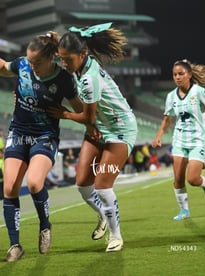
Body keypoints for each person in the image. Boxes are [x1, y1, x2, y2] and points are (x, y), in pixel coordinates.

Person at [0, 31, 83, 261]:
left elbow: (82, 110)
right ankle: (15, 246)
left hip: (44, 135)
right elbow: (3, 68)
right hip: (18, 132)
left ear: (52, 57)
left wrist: (64, 114)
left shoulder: (63, 79)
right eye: (29, 60)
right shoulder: (23, 64)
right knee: (10, 186)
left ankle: (45, 226)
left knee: (34, 182)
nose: (31, 65)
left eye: (37, 62)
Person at [49, 22, 137, 252]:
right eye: (61, 58)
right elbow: (70, 47)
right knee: (82, 185)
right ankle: (103, 217)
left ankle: (116, 236)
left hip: (119, 129)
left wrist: (64, 114)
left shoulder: (89, 79)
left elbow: (88, 118)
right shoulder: (80, 59)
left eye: (67, 60)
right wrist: (57, 41)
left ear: (82, 54)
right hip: (98, 127)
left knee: (102, 186)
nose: (64, 64)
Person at [152, 59, 205, 220]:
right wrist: (158, 136)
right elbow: (168, 118)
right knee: (178, 179)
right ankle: (184, 210)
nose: (177, 77)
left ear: (189, 75)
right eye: (175, 75)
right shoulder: (171, 96)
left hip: (198, 140)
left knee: (193, 179)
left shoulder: (198, 92)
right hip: (179, 140)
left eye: (181, 74)